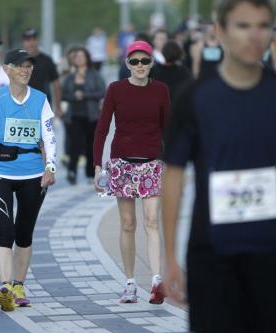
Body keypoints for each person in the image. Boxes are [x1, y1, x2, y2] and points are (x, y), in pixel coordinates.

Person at [162, 1, 276, 332]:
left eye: (263, 26)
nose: (254, 35)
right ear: (220, 32)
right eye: (243, 26)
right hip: (211, 253)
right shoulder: (193, 97)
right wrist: (169, 255)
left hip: (272, 251)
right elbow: (173, 176)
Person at [0, 48, 57, 312]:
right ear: (6, 69)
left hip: (33, 173)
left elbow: (49, 137)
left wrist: (50, 167)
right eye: (20, 66)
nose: (25, 70)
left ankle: (19, 284)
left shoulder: (41, 99)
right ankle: (6, 287)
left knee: (24, 232)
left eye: (29, 66)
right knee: (4, 229)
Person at [93, 40, 170, 305]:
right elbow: (102, 128)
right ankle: (129, 284)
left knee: (151, 221)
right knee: (128, 224)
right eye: (135, 61)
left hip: (152, 162)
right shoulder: (115, 89)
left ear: (151, 64)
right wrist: (97, 166)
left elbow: (168, 128)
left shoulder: (161, 90)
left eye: (145, 61)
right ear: (127, 63)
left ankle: (157, 280)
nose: (140, 66)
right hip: (122, 163)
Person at [62, 46, 105, 184]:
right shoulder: (70, 76)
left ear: (87, 58)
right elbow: (64, 94)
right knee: (74, 144)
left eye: (82, 56)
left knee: (90, 145)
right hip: (74, 115)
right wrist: (74, 96)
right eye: (77, 57)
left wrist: (85, 95)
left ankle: (90, 173)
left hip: (91, 115)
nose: (79, 59)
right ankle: (72, 171)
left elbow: (102, 92)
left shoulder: (94, 74)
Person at [22, 28, 62, 117]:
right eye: (28, 40)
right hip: (21, 105)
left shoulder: (47, 60)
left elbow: (56, 84)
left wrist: (58, 107)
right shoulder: (17, 61)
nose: (31, 43)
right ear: (23, 42)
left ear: (38, 41)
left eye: (33, 40)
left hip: (43, 106)